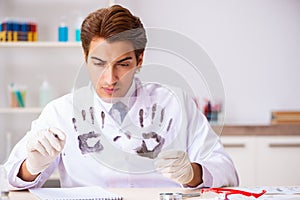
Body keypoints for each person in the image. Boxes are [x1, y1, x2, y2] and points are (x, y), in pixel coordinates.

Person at [4, 5, 239, 189]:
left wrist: (193, 173)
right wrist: (31, 167)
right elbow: (7, 178)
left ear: (140, 59)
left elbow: (227, 170)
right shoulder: (60, 112)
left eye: (123, 64)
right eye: (98, 63)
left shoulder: (174, 103)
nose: (110, 79)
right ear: (85, 57)